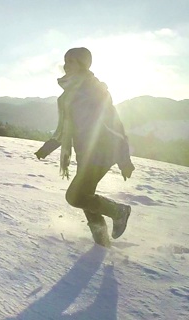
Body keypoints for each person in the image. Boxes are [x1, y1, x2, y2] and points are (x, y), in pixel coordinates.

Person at [35, 47, 135, 247]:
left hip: (102, 153)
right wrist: (48, 147)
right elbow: (63, 129)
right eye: (65, 60)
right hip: (85, 154)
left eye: (71, 61)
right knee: (86, 197)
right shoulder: (65, 97)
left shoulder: (95, 90)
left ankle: (119, 212)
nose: (66, 65)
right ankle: (102, 242)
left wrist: (124, 159)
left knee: (76, 196)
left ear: (82, 64)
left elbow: (115, 125)